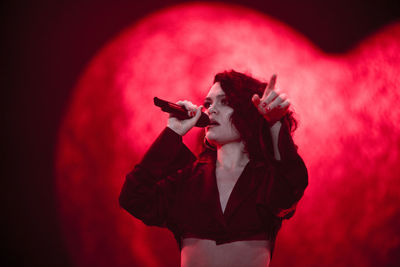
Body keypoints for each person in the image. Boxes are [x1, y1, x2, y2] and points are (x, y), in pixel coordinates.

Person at [119, 70, 308, 267]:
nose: (212, 110)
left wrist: (275, 123)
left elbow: (292, 183)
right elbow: (133, 196)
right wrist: (173, 131)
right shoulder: (187, 178)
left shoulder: (267, 179)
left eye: (225, 102)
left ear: (251, 111)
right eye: (208, 104)